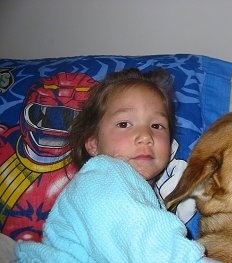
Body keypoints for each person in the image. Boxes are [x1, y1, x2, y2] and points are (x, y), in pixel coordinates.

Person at [13, 68, 216, 262]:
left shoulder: (141, 192)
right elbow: (143, 239)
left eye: (156, 126)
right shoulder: (102, 176)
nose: (146, 136)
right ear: (93, 143)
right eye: (124, 124)